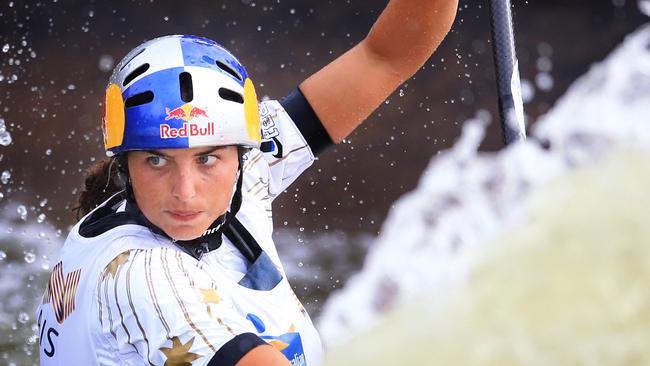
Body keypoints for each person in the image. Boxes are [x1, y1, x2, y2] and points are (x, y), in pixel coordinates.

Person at [36, 1, 458, 365]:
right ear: (126, 164)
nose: (186, 191)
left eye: (207, 160)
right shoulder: (140, 275)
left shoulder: (249, 166)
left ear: (241, 155)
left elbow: (384, 55)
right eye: (157, 161)